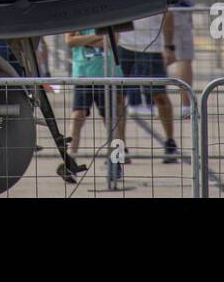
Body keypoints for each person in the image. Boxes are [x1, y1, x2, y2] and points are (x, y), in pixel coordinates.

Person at [63, 28, 127, 182]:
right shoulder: (76, 17)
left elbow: (111, 41)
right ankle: (70, 160)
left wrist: (84, 40)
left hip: (107, 74)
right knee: (77, 116)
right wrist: (96, 37)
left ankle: (116, 161)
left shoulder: (109, 15)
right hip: (83, 73)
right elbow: (70, 41)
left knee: (111, 120)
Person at [116, 13, 182, 163]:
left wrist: (169, 47)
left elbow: (168, 13)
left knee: (159, 95)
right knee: (118, 97)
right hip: (124, 45)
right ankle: (120, 145)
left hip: (152, 47)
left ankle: (170, 141)